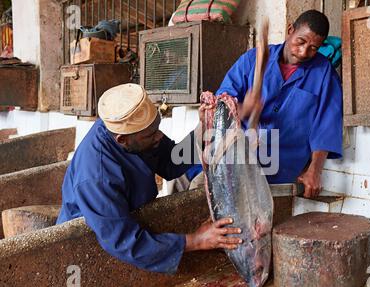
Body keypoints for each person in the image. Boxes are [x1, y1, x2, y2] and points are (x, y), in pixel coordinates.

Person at [56, 83, 242, 274]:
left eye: (157, 128)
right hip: (90, 240)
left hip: (125, 225)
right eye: (151, 134)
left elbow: (170, 161)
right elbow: (124, 242)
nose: (159, 136)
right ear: (122, 139)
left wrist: (202, 129)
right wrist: (196, 240)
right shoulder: (96, 176)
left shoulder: (132, 130)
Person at [216, 10, 343, 199]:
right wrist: (243, 109)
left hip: (283, 173)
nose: (304, 52)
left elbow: (326, 126)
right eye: (300, 42)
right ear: (290, 29)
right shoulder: (252, 60)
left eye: (313, 48)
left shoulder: (323, 73)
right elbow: (220, 107)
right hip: (239, 164)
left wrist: (314, 171)